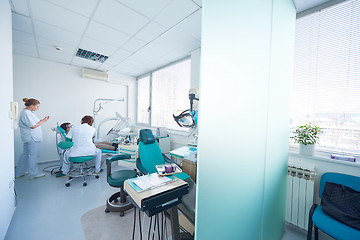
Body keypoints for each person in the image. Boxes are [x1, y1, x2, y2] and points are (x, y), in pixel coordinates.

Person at [16, 98, 49, 179]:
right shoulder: (26, 113)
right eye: (37, 106)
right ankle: (33, 174)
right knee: (33, 156)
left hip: (29, 138)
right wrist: (44, 121)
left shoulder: (29, 113)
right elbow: (33, 126)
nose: (38, 108)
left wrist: (42, 120)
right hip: (32, 138)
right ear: (31, 106)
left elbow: (35, 123)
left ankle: (19, 172)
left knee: (26, 155)